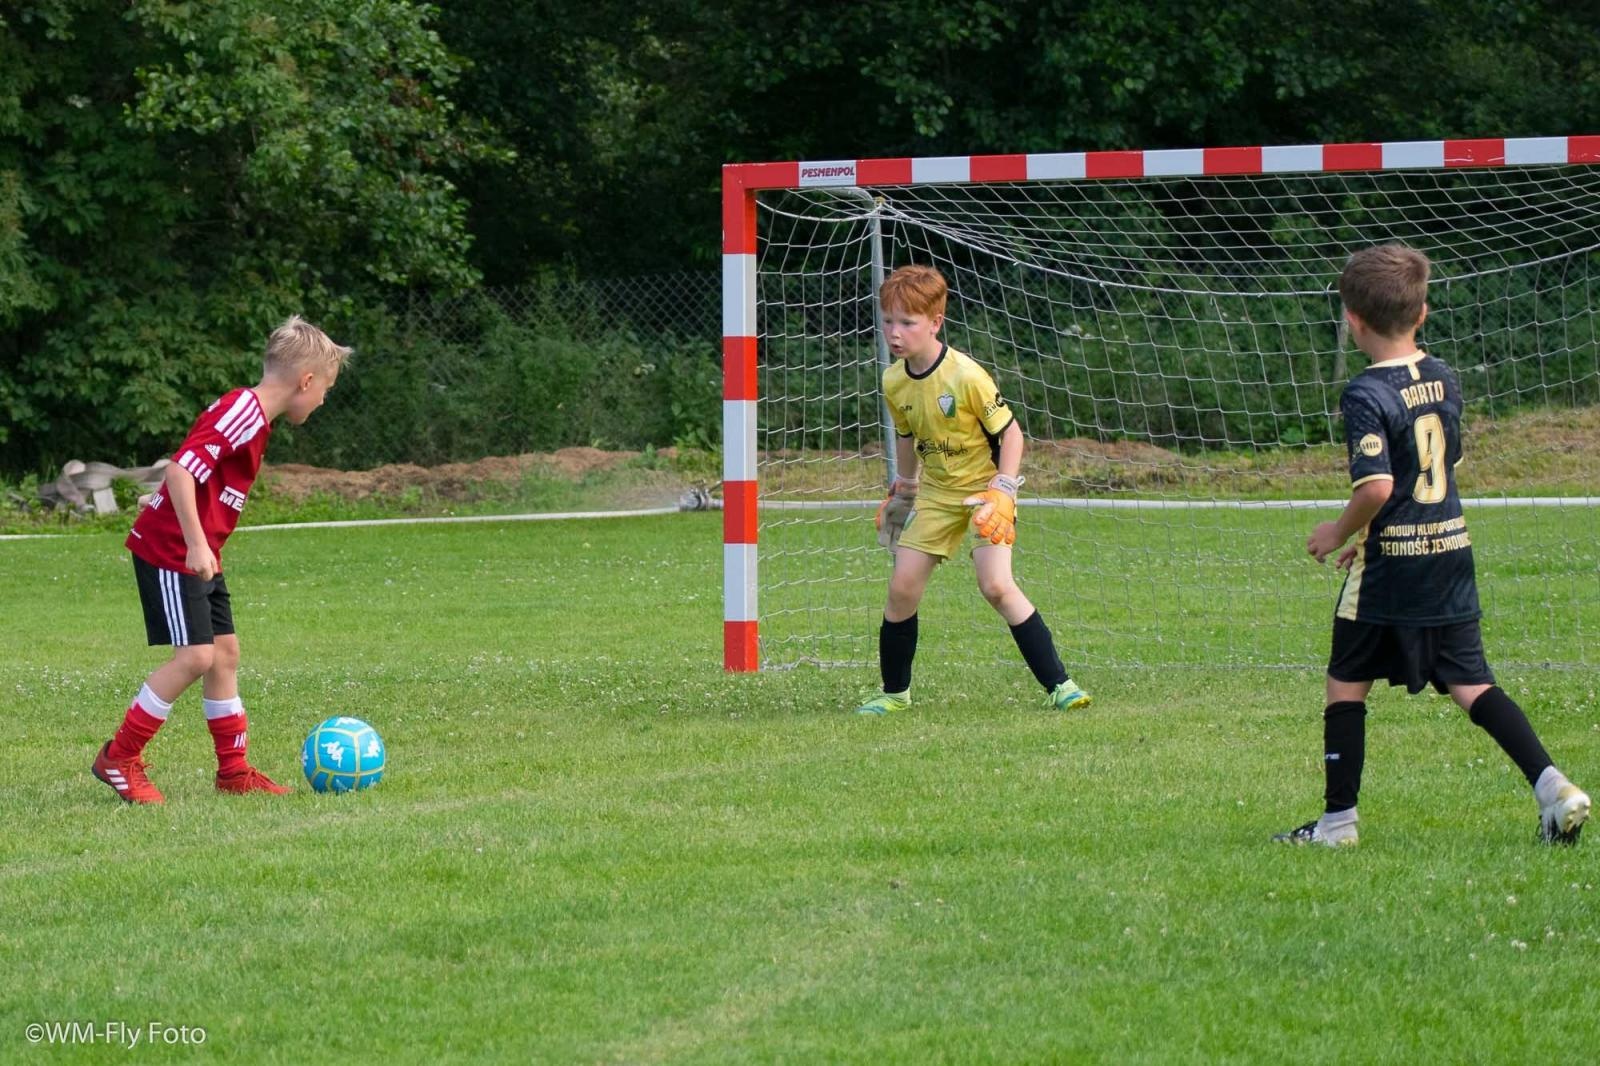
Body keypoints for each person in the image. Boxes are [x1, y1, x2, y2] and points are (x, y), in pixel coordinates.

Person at [1275, 244, 1589, 846]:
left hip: (1393, 566)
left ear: (1353, 319)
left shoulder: (1365, 393)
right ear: (1421, 313)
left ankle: (1338, 823)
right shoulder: (1443, 375)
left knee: (1346, 682)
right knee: (1471, 684)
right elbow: (1441, 466)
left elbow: (1379, 485)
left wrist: (1339, 531)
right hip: (1449, 551)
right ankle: (1553, 787)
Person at [92, 316, 351, 804]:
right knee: (196, 656)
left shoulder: (255, 420)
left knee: (225, 655)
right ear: (306, 381)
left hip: (199, 553)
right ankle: (118, 758)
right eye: (326, 390)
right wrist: (194, 543)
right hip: (173, 550)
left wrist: (202, 544)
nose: (322, 400)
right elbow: (180, 471)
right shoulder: (242, 411)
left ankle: (233, 772)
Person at [857, 265, 1091, 716]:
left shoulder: (966, 376)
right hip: (937, 496)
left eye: (907, 322)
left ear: (935, 322)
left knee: (997, 586)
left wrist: (1003, 489)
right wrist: (906, 489)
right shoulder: (894, 380)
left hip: (986, 492)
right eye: (888, 320)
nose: (895, 332)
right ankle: (894, 694)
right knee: (901, 588)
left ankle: (1061, 685)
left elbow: (1013, 435)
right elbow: (906, 435)